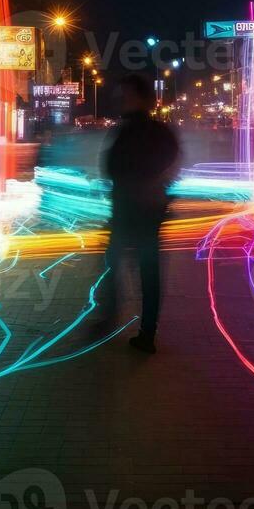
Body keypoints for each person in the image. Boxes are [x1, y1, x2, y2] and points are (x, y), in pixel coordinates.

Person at [102, 73, 180, 353]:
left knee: (127, 266)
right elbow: (169, 161)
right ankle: (142, 330)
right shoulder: (154, 131)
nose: (121, 99)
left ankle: (128, 325)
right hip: (142, 208)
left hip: (136, 209)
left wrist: (137, 181)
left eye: (127, 94)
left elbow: (113, 166)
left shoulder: (137, 131)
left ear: (139, 98)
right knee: (141, 269)